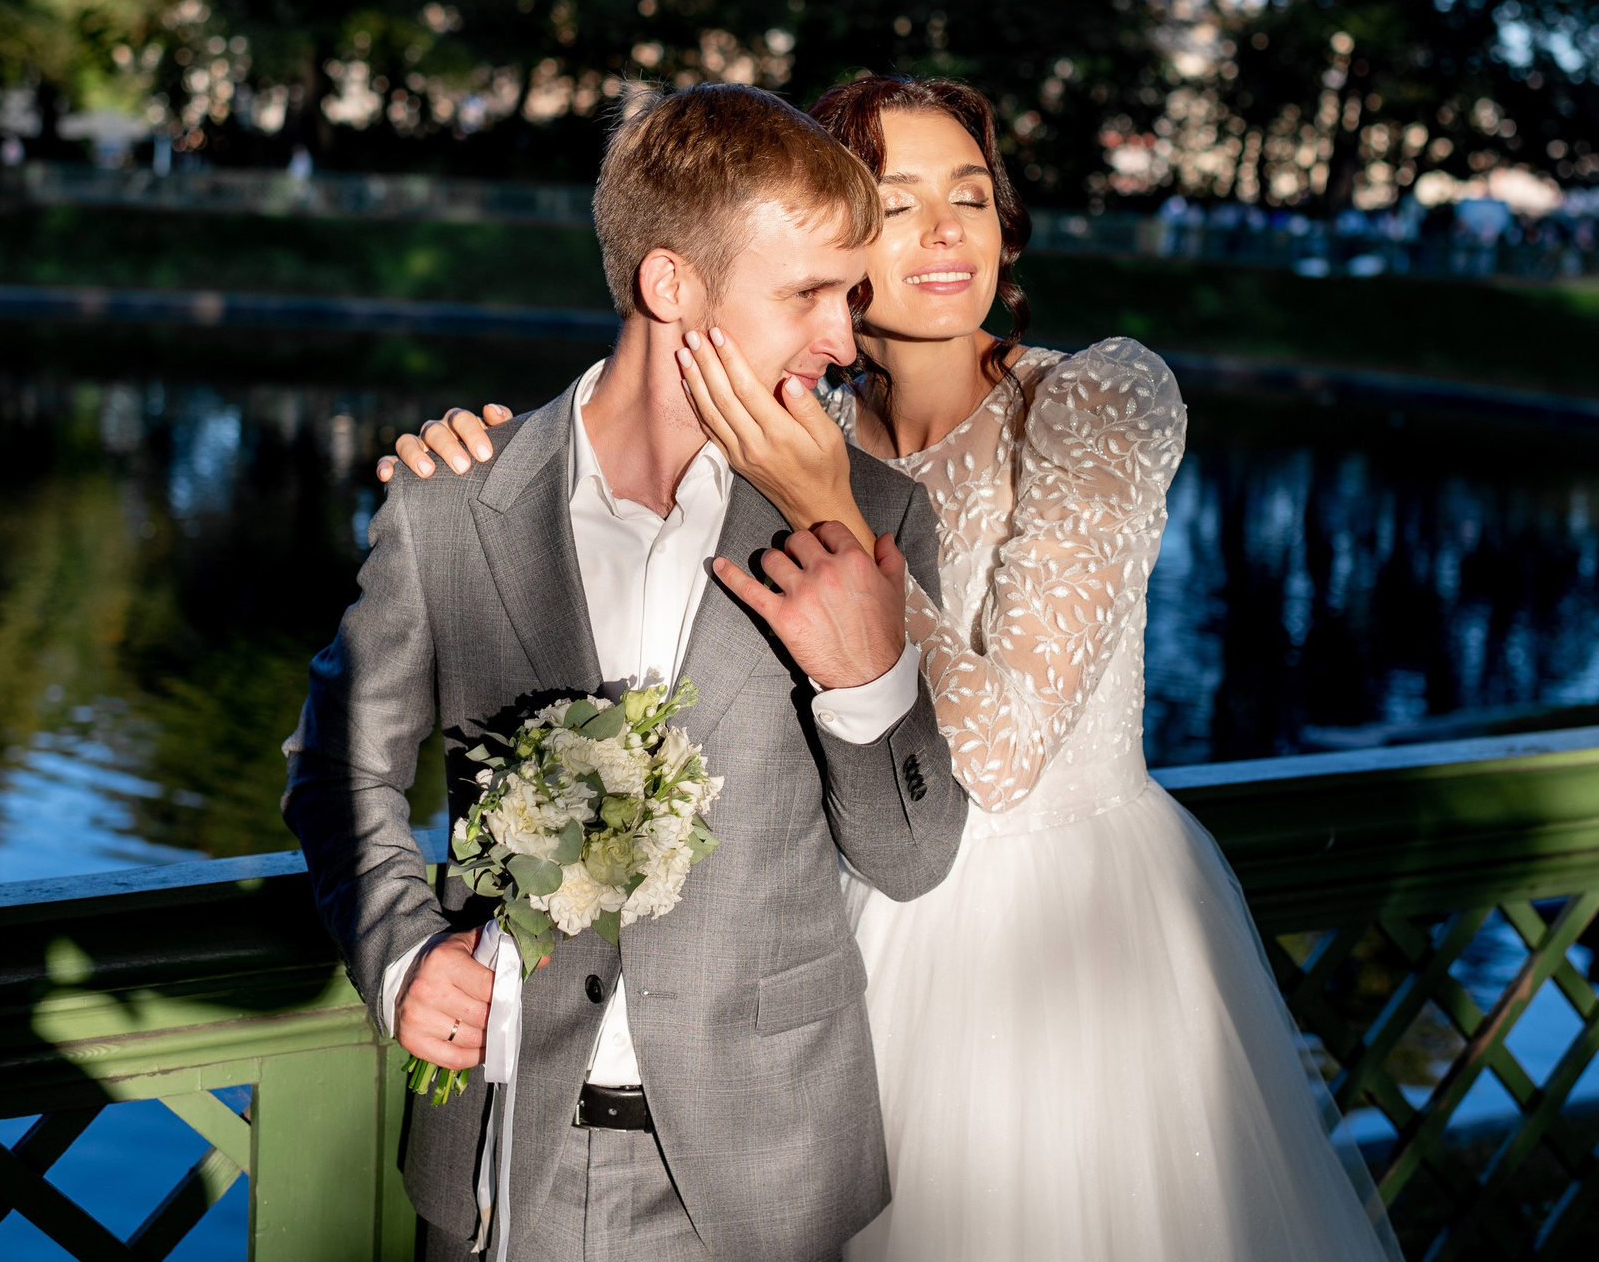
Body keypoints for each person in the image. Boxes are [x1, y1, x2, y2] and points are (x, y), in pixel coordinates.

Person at [387, 77, 1398, 1262]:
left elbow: (1007, 757)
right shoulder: (785, 418)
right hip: (823, 947)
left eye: (970, 194)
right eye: (899, 203)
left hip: (1060, 948)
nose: (947, 230)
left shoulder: (1093, 398)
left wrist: (827, 508)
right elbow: (634, 434)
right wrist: (469, 455)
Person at [287, 83, 971, 1262]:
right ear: (671, 286)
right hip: (505, 1157)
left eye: (849, 297)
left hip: (767, 1168)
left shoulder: (874, 514)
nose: (842, 341)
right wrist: (401, 952)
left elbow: (911, 857)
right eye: (808, 293)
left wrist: (867, 671)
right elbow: (338, 768)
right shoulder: (454, 500)